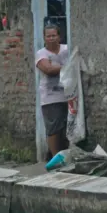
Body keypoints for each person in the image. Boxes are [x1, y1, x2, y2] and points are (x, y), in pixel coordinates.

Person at [35, 24, 69, 158]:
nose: (51, 38)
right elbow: (48, 70)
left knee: (67, 127)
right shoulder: (41, 53)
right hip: (50, 97)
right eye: (48, 36)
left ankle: (65, 155)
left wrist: (58, 67)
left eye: (53, 35)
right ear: (44, 38)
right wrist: (67, 66)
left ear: (59, 36)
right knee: (53, 129)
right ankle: (55, 157)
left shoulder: (67, 49)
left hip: (68, 94)